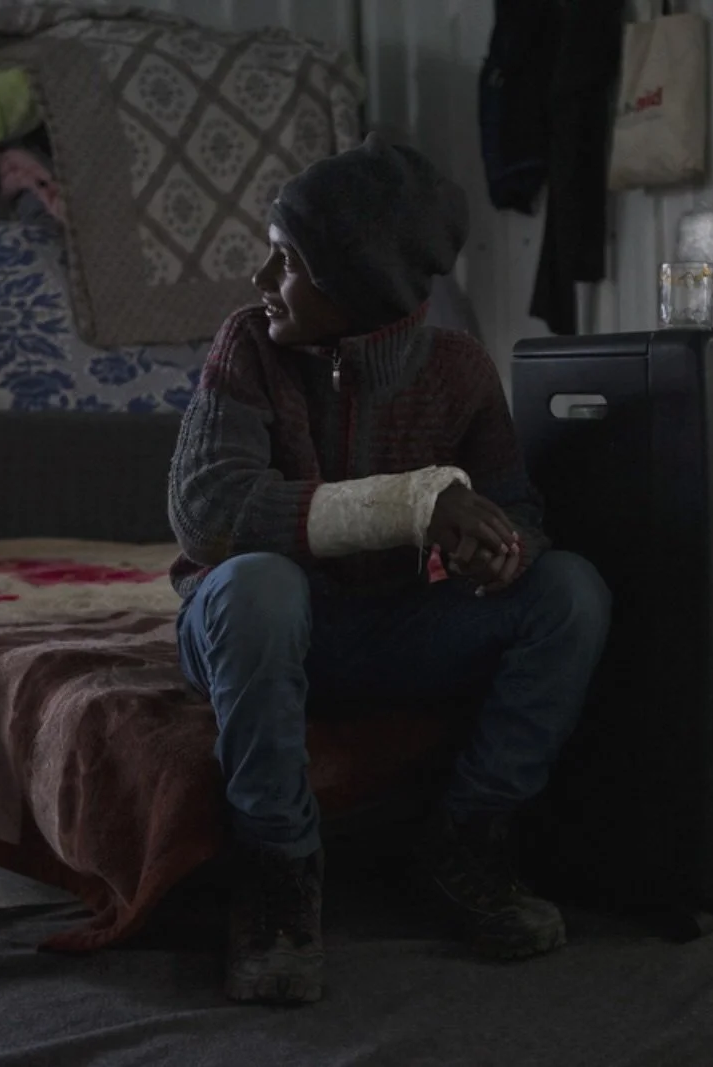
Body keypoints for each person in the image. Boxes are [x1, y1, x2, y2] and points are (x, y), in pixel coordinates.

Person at [168, 133, 612, 1005]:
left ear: (356, 286)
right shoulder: (249, 345)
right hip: (249, 629)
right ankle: (279, 877)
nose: (262, 283)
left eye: (286, 263)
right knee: (261, 583)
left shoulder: (458, 370)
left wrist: (493, 549)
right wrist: (412, 505)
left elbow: (519, 516)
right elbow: (208, 509)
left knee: (570, 593)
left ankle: (467, 842)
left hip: (386, 632)